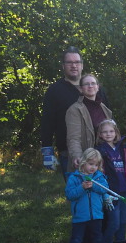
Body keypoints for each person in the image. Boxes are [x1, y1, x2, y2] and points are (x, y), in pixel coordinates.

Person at [40, 46, 108, 176]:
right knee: (77, 192)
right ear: (63, 65)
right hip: (70, 153)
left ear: (82, 65)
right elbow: (47, 122)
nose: (73, 66)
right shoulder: (55, 91)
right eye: (69, 62)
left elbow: (109, 119)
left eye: (77, 62)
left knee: (100, 192)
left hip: (99, 150)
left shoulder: (97, 89)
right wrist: (47, 151)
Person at [62, 148, 111, 243]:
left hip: (96, 215)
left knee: (98, 238)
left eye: (96, 165)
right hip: (80, 216)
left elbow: (104, 189)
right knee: (76, 240)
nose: (93, 167)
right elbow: (70, 195)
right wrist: (82, 188)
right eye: (90, 164)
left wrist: (94, 185)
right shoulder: (75, 177)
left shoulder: (99, 177)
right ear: (83, 162)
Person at [96, 119, 126, 243]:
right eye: (105, 132)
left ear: (116, 132)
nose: (108, 134)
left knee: (123, 221)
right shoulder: (100, 150)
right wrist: (105, 191)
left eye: (111, 131)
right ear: (100, 134)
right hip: (111, 192)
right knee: (114, 222)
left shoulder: (124, 148)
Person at [65, 74, 113, 172]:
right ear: (81, 89)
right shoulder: (75, 110)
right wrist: (77, 156)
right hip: (87, 161)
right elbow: (73, 138)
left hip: (105, 160)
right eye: (86, 84)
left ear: (98, 87)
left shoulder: (105, 109)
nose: (90, 86)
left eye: (93, 83)